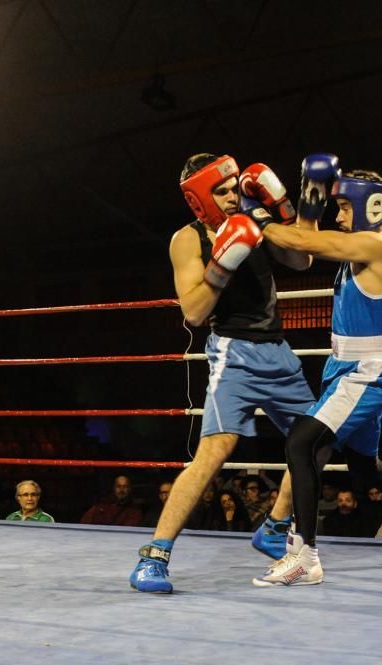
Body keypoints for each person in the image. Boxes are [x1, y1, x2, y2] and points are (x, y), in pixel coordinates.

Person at [252, 157, 382, 587]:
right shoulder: (361, 244)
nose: (338, 214)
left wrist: (255, 217)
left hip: (368, 371)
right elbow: (304, 244)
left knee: (302, 444)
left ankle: (304, 556)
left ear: (370, 207)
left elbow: (313, 243)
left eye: (343, 207)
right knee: (364, 466)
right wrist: (309, 198)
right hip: (343, 366)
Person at [129, 154, 316, 594]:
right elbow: (194, 312)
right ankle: (154, 556)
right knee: (214, 453)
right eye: (223, 190)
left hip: (279, 353)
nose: (235, 195)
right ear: (200, 200)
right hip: (234, 354)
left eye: (236, 186)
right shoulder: (187, 239)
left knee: (319, 440)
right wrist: (223, 262)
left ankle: (275, 526)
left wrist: (282, 210)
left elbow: (302, 262)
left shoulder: (256, 217)